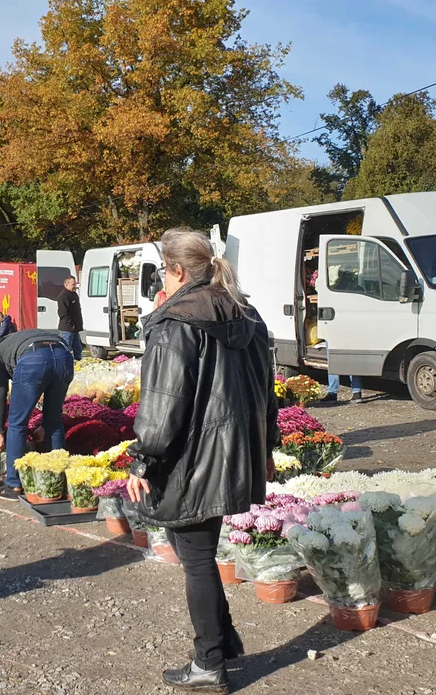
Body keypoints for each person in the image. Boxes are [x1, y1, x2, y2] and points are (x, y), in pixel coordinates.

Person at [125, 228, 278, 693]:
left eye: (162, 273)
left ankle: (209, 663)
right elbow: (266, 392)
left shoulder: (176, 324)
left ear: (175, 271)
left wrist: (142, 461)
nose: (161, 284)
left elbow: (161, 406)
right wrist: (266, 449)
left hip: (190, 461)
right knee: (203, 558)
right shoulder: (245, 314)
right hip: (233, 455)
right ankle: (222, 642)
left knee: (196, 561)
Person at [0, 329, 75, 501]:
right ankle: (58, 482)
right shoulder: (21, 338)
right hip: (64, 355)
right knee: (53, 422)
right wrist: (44, 424)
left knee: (17, 424)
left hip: (33, 358)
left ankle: (13, 484)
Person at [56, 276, 84, 361]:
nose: (75, 286)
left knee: (78, 348)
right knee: (66, 348)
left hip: (75, 328)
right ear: (66, 284)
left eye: (75, 284)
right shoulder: (63, 296)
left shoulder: (74, 294)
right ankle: (65, 364)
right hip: (67, 329)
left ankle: (78, 363)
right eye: (73, 284)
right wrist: (71, 325)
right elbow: (62, 313)